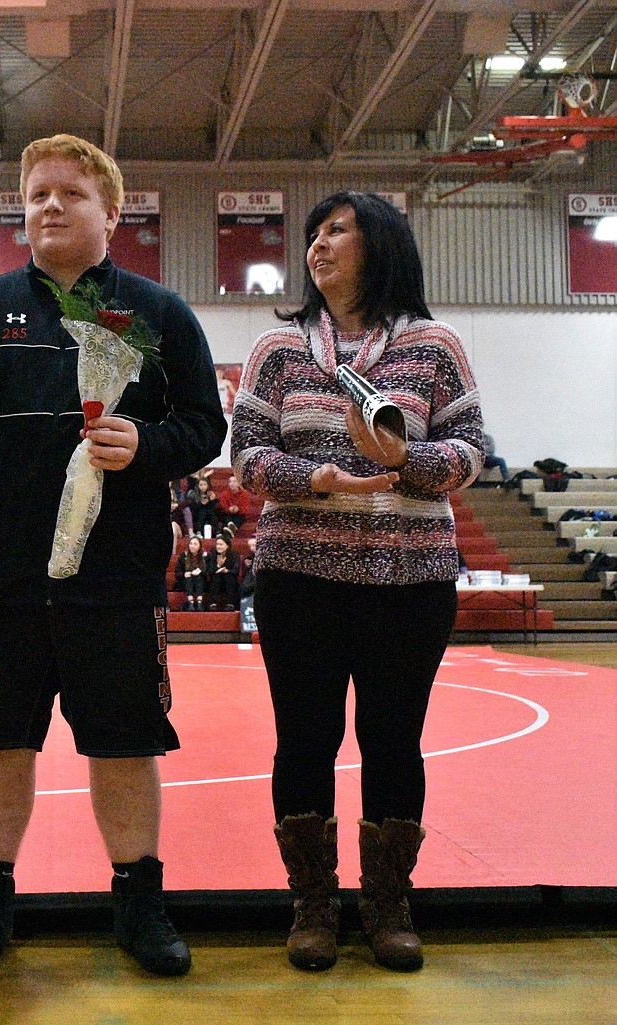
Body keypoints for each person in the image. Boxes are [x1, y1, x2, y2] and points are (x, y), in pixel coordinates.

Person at [0, 133, 227, 981]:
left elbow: (204, 426)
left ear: (111, 213)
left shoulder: (159, 314)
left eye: (71, 194)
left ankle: (140, 907)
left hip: (115, 582)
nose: (50, 206)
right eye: (37, 193)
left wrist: (147, 444)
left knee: (124, 745)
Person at [230, 190, 484, 974]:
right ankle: (313, 903)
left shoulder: (436, 346)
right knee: (304, 740)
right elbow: (245, 455)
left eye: (338, 229)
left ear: (383, 244)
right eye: (314, 231)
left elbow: (473, 446)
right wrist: (323, 479)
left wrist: (408, 461)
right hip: (298, 576)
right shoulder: (278, 352)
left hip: (411, 577)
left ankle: (385, 903)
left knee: (393, 740)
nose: (319, 242)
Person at [205, 534, 240, 611]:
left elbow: (236, 571)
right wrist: (218, 565)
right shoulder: (213, 554)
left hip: (229, 581)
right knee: (216, 576)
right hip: (216, 581)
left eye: (221, 544)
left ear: (227, 545)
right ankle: (212, 604)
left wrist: (227, 571)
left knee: (229, 576)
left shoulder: (234, 555)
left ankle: (230, 604)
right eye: (217, 544)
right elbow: (210, 571)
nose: (218, 546)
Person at [174, 535, 208, 610]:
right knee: (189, 577)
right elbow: (177, 573)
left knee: (198, 577)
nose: (192, 546)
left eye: (195, 544)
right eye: (191, 544)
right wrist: (184, 574)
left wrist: (200, 571)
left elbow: (208, 572)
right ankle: (190, 601)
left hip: (201, 582)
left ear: (200, 546)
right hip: (186, 581)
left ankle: (199, 601)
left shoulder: (205, 556)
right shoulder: (183, 556)